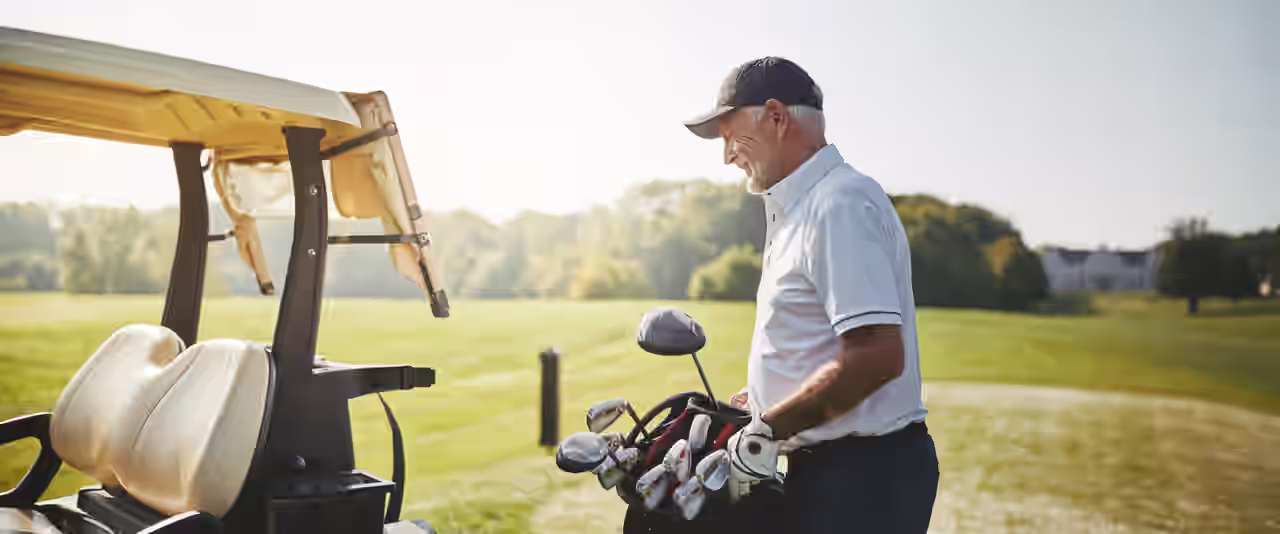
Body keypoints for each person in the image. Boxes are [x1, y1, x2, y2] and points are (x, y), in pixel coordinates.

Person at [683, 56, 940, 533]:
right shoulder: (802, 207)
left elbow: (877, 355)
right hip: (837, 472)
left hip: (863, 482)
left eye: (731, 137)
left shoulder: (837, 203)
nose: (727, 157)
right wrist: (762, 401)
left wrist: (767, 430)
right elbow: (820, 340)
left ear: (777, 118)